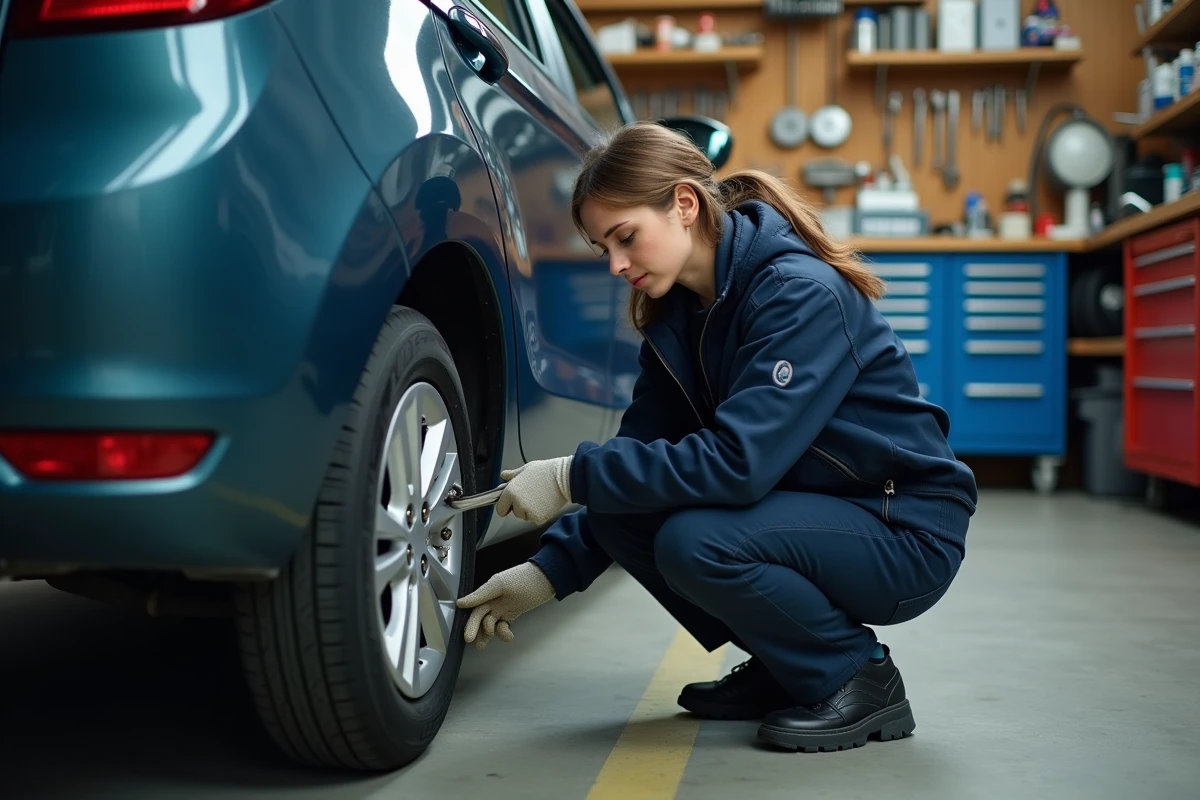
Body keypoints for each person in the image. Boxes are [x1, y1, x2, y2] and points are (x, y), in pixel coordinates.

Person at [456, 122, 978, 753]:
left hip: (900, 527)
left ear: (684, 204)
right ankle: (788, 664)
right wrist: (546, 571)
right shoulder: (679, 318)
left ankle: (855, 676)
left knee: (695, 542)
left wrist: (568, 477)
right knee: (628, 511)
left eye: (625, 238)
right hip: (821, 508)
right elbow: (636, 461)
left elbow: (739, 465)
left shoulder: (797, 294)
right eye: (604, 249)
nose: (617, 264)